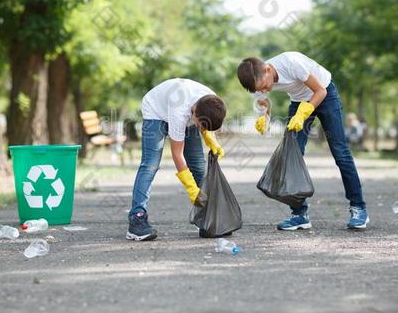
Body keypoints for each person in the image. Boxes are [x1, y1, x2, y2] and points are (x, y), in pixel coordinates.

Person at [237, 51, 369, 230]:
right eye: (259, 89)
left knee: (340, 152)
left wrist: (304, 112)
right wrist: (264, 117)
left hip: (324, 94)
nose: (264, 90)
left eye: (265, 86)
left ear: (267, 70)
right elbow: (264, 102)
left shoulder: (291, 63)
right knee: (292, 155)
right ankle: (299, 214)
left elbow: (320, 91)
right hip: (298, 101)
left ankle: (358, 208)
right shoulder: (257, 80)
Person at [126, 78, 226, 241]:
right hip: (156, 111)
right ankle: (137, 219)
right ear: (194, 111)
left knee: (199, 166)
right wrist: (191, 189)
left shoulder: (211, 100)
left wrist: (211, 140)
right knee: (150, 165)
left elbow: (206, 121)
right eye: (199, 124)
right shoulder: (180, 111)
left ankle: (206, 216)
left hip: (182, 110)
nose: (200, 127)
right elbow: (177, 154)